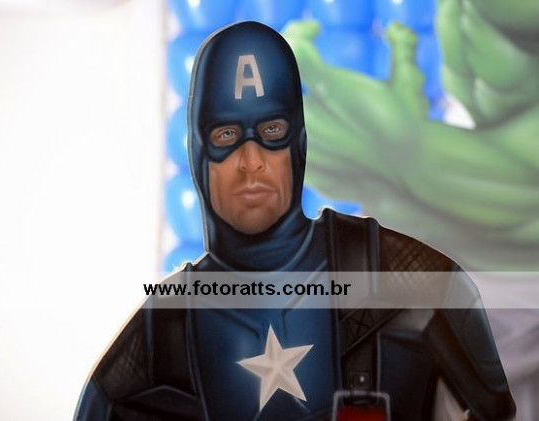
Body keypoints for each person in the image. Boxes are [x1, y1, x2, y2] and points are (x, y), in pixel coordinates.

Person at [74, 22, 515, 421]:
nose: (251, 160)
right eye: (227, 136)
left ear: (298, 142)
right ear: (198, 153)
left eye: (271, 132)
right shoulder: (157, 341)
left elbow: (497, 410)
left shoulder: (413, 279)